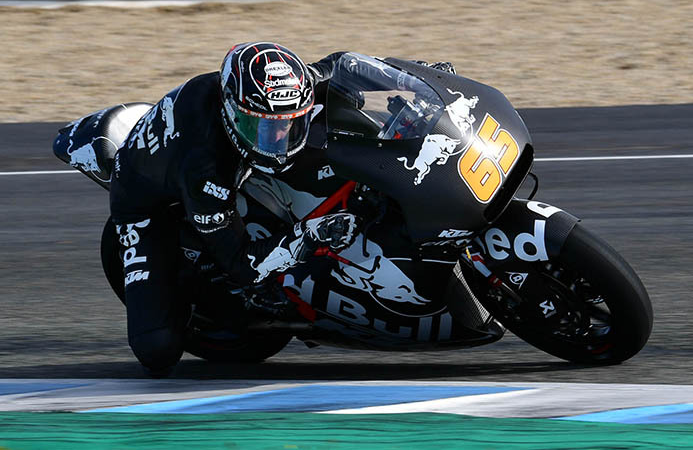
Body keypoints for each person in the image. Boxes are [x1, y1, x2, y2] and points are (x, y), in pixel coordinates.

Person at [109, 41, 453, 375]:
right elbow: (243, 264)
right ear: (232, 113)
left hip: (233, 160)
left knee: (338, 124)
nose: (276, 139)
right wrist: (309, 235)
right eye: (261, 127)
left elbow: (344, 64)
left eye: (287, 123)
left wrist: (419, 81)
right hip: (146, 203)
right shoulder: (205, 169)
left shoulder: (281, 92)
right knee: (157, 351)